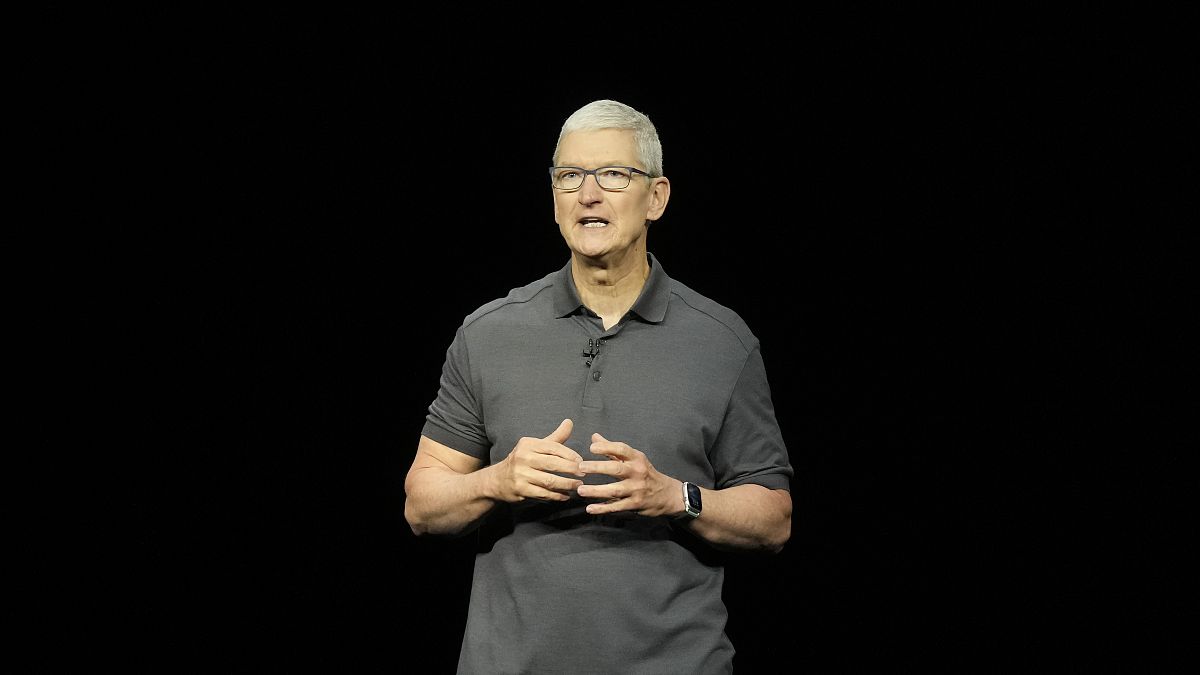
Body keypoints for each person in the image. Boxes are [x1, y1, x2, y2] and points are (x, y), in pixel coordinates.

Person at [404, 99, 793, 674]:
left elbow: (774, 519)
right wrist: (498, 480)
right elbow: (421, 503)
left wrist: (675, 497)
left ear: (655, 197)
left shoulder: (721, 341)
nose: (588, 194)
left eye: (613, 174)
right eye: (570, 177)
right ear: (554, 198)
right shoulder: (489, 332)